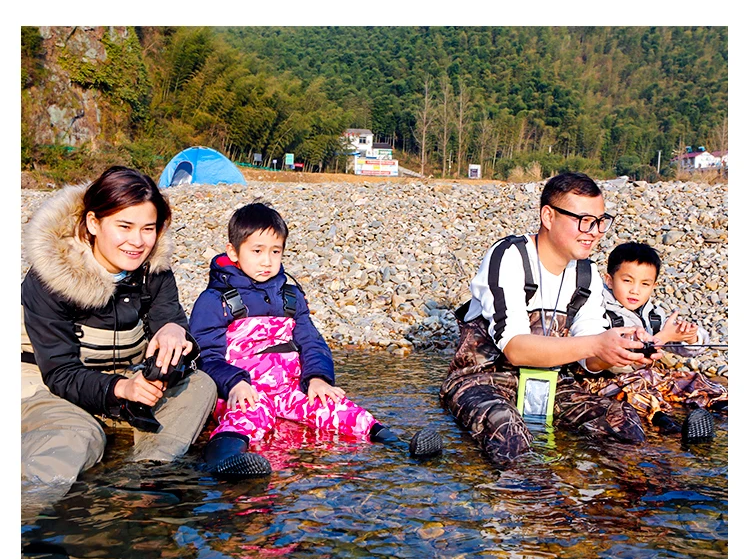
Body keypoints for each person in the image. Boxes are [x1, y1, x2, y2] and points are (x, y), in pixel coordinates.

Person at [189, 202, 443, 479]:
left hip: (289, 389)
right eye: (257, 251)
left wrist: (318, 378)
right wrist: (234, 383)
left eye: (276, 252)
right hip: (244, 391)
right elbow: (205, 356)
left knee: (335, 408)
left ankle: (399, 445)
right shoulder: (214, 301)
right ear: (233, 252)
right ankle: (224, 460)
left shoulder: (290, 295)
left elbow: (312, 342)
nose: (267, 261)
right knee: (247, 419)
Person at [21, 166, 216, 504]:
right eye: (124, 227)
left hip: (123, 382)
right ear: (94, 223)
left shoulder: (154, 271)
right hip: (49, 387)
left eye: (148, 229)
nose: (137, 241)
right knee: (78, 437)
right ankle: (26, 508)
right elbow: (60, 373)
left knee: (201, 386)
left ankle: (146, 476)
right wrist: (121, 389)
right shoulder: (48, 278)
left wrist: (175, 333)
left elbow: (171, 321)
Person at [439, 172, 659, 463]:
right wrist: (596, 344)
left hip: (553, 382)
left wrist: (619, 349)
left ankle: (632, 495)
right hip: (482, 380)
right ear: (548, 216)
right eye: (583, 220)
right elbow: (515, 349)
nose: (593, 231)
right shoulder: (509, 256)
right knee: (508, 431)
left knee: (621, 422)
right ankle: (532, 500)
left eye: (599, 221)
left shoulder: (587, 274)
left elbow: (590, 362)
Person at [580, 241, 727, 440]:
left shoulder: (654, 314)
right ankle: (672, 428)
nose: (635, 290)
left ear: (654, 286)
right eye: (627, 281)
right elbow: (615, 357)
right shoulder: (600, 312)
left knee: (694, 380)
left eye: (644, 284)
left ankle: (721, 408)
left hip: (652, 377)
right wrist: (664, 337)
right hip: (610, 382)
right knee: (643, 395)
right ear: (609, 280)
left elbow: (685, 347)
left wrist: (691, 337)